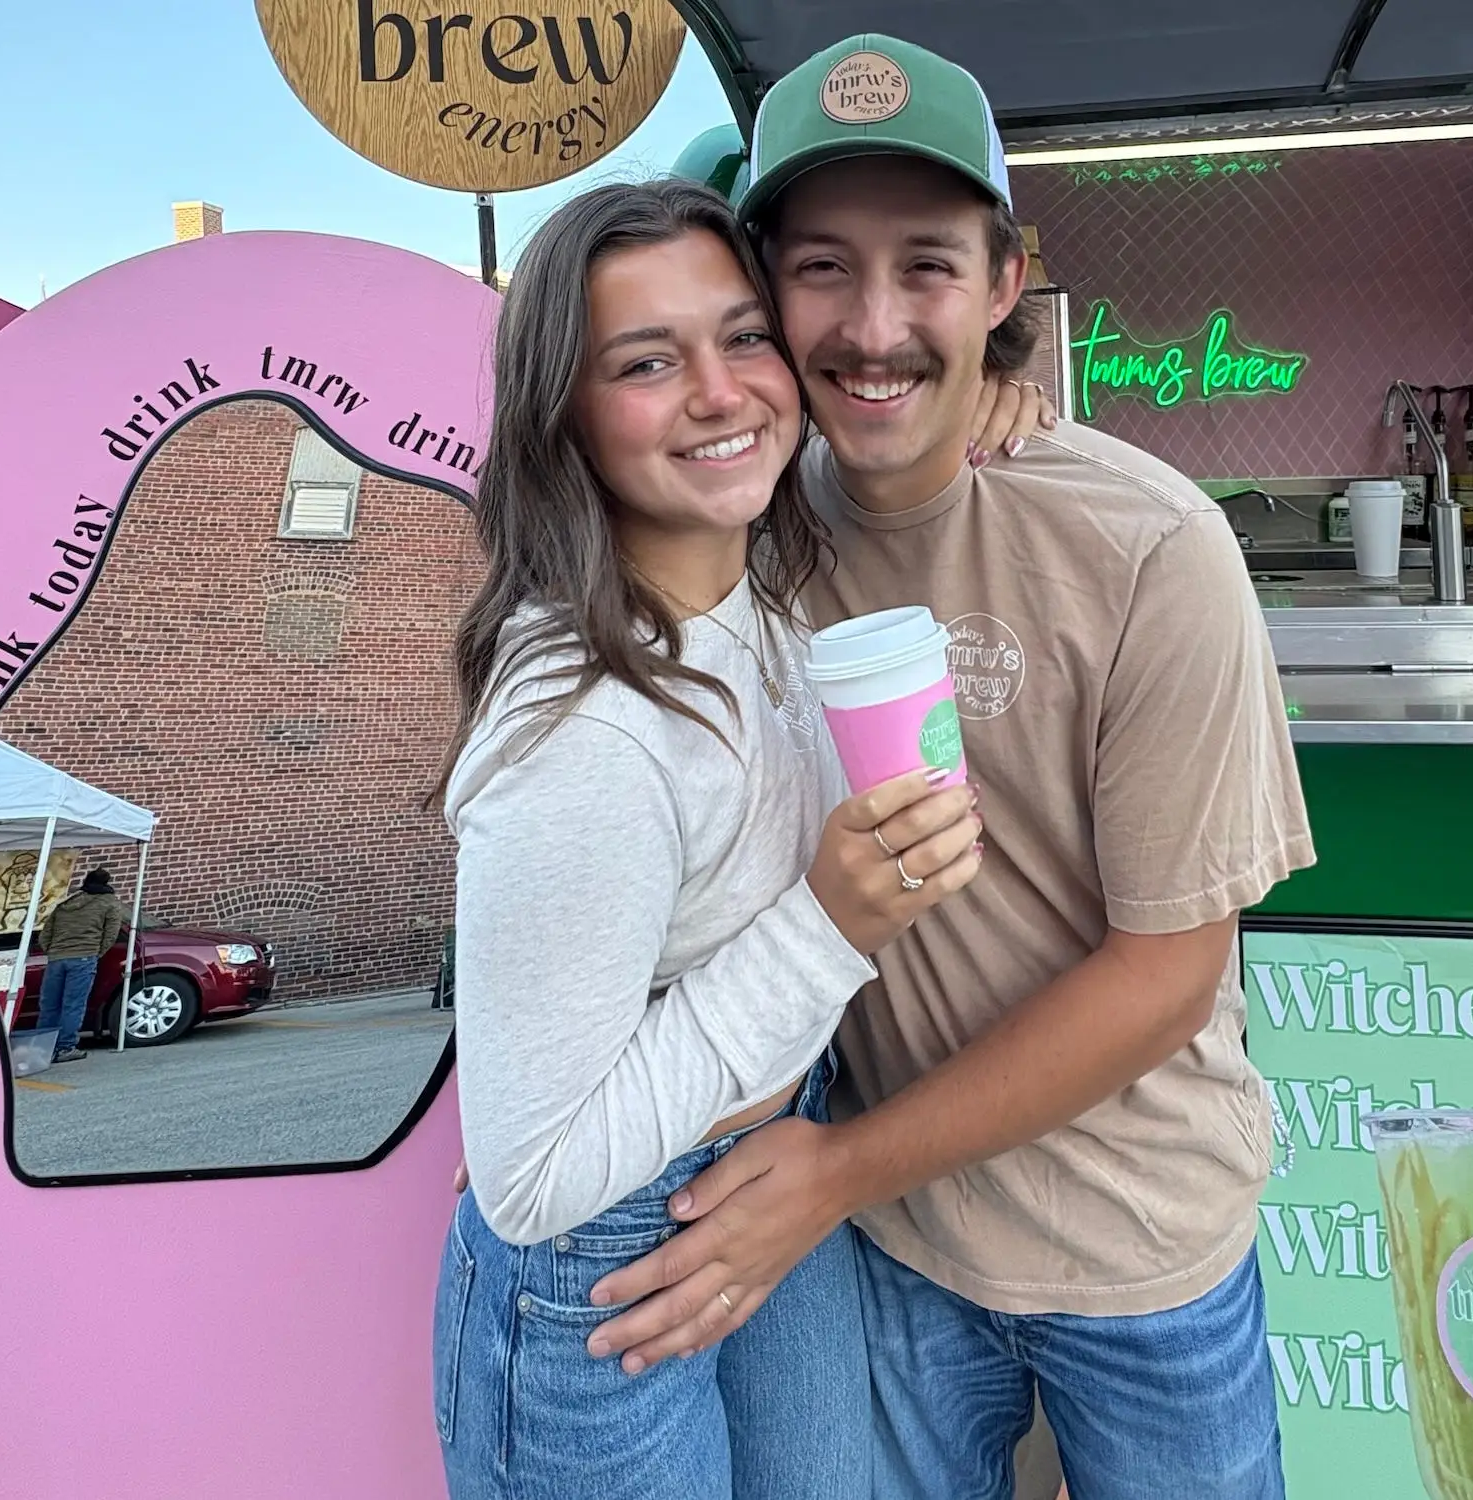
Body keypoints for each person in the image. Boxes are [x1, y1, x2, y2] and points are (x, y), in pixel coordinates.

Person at [580, 35, 1317, 1500]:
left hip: (1137, 1250)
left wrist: (838, 1176)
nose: (872, 327)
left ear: (1004, 281)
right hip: (902, 1255)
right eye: (819, 270)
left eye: (926, 266)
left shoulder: (1149, 548)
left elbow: (1168, 970)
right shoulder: (749, 529)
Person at [429, 177, 1048, 1500]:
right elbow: (532, 1180)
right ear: (569, 417)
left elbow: (867, 410)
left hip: (772, 1171)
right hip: (605, 1271)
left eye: (743, 335)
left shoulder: (754, 580)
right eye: (648, 362)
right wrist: (833, 927)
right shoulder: (585, 733)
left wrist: (989, 390)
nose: (722, 392)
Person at [36, 867, 126, 1063]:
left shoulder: (66, 903)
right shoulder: (109, 903)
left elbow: (45, 935)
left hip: (57, 958)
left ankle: (43, 1047)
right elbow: (110, 934)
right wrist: (96, 952)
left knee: (49, 1005)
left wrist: (53, 951)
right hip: (84, 957)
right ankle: (65, 1047)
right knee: (73, 1005)